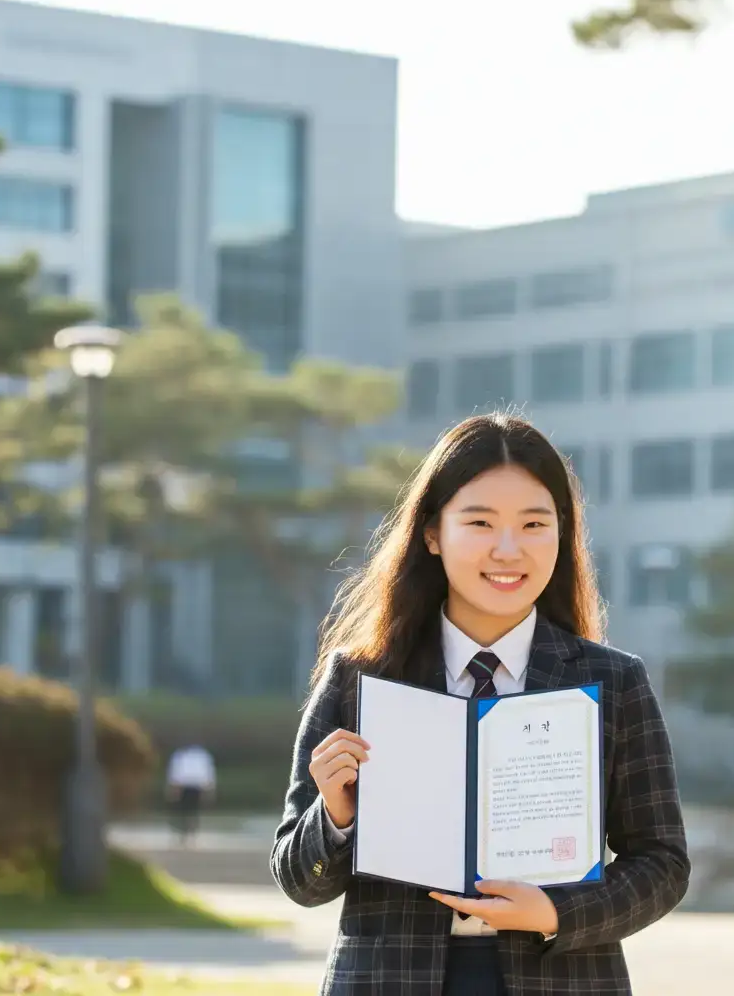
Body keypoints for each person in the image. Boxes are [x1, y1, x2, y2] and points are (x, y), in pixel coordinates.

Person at [270, 412, 690, 995]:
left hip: (562, 977)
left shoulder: (613, 683)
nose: (508, 549)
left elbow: (662, 865)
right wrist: (336, 816)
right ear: (432, 533)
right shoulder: (363, 678)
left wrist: (553, 912)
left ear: (562, 534)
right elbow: (299, 879)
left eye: (534, 524)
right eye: (481, 522)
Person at [165, 743, 216, 846]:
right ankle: (182, 834)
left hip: (195, 786)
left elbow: (207, 771)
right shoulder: (181, 755)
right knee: (182, 811)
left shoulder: (201, 755)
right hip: (183, 786)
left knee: (193, 811)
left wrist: (209, 786)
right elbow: (175, 771)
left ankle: (190, 834)